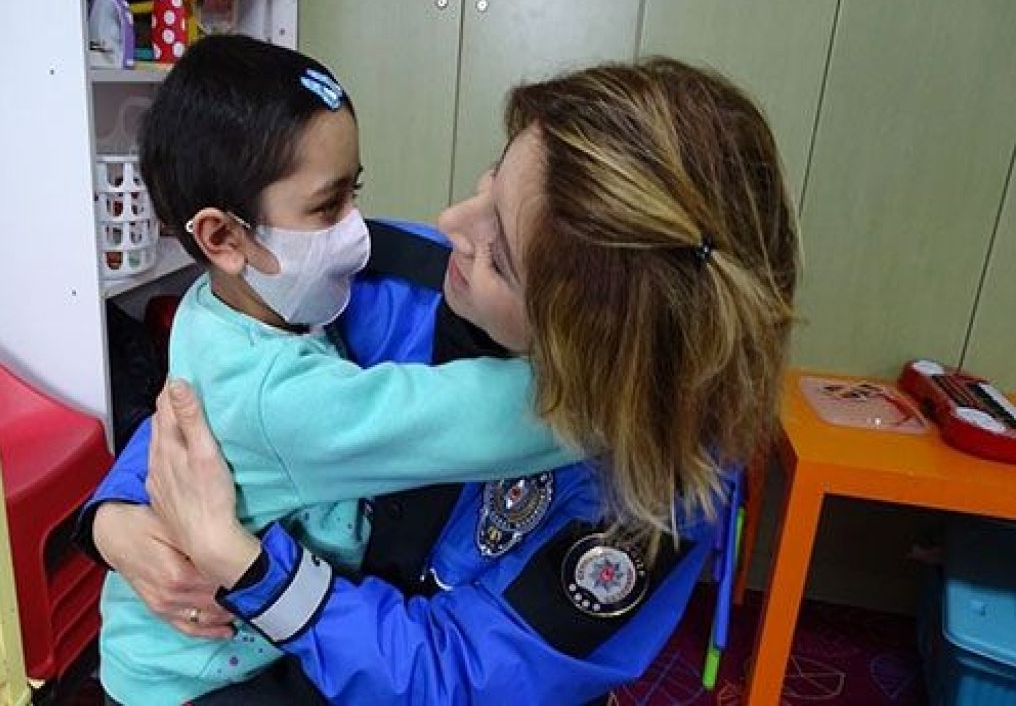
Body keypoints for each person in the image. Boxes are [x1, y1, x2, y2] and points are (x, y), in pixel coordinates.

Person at [82, 57, 799, 705]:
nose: (451, 221)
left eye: (500, 255)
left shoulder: (653, 491)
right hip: (243, 655)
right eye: (492, 180)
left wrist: (248, 568)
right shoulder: (381, 276)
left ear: (590, 353)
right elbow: (214, 413)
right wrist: (115, 521)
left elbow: (456, 679)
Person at [97, 34, 580, 705]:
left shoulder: (234, 302)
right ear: (222, 238)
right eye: (329, 208)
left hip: (266, 638)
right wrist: (612, 387)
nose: (357, 234)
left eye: (355, 194)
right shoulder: (283, 385)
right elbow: (458, 419)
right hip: (191, 677)